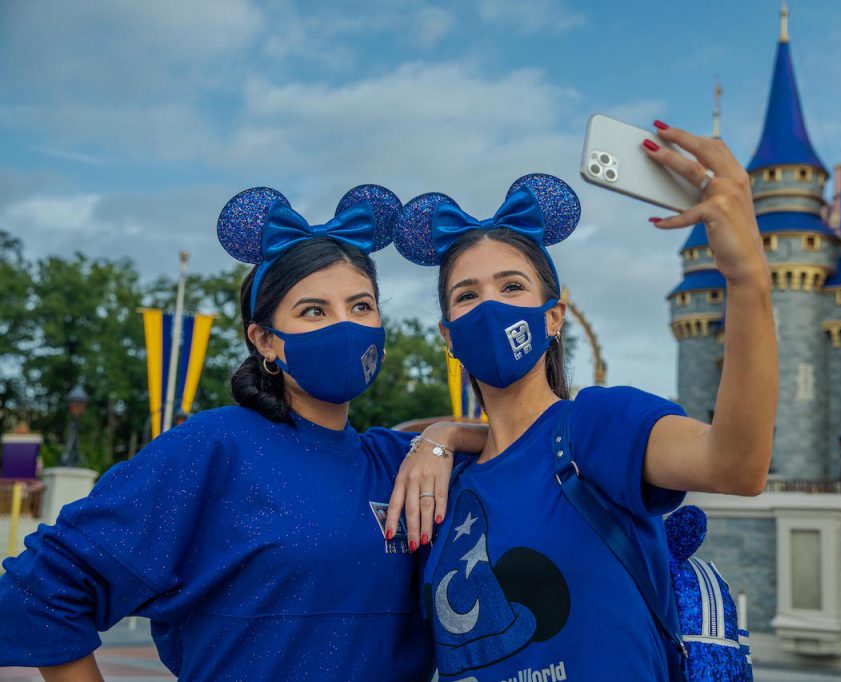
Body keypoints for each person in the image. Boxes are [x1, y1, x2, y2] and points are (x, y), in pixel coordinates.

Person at [0, 185, 482, 681]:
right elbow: (41, 592)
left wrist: (446, 435)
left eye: (361, 306)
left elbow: (523, 443)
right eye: (314, 311)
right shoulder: (216, 446)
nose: (346, 326)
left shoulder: (399, 462)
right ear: (265, 341)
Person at [387, 123, 777, 681]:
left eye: (512, 287)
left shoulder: (595, 427)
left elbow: (737, 465)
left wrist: (746, 279)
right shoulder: (438, 482)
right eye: (467, 296)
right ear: (448, 337)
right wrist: (445, 436)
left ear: (553, 319)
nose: (490, 307)